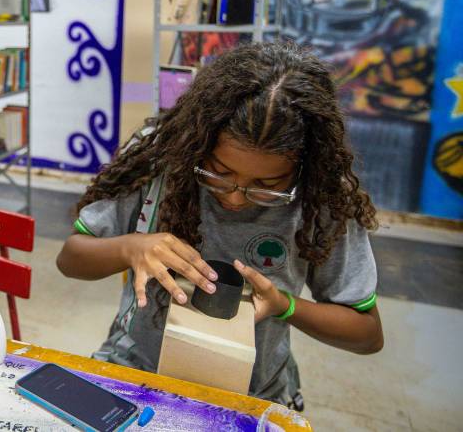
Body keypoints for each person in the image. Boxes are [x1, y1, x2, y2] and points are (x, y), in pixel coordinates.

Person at [57, 42, 384, 408]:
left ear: (304, 168)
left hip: (251, 395)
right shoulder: (163, 156)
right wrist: (130, 247)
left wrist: (284, 305)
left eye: (267, 186)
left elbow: (368, 334)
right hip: (135, 371)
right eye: (219, 172)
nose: (235, 197)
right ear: (199, 142)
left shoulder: (322, 196)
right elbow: (70, 259)